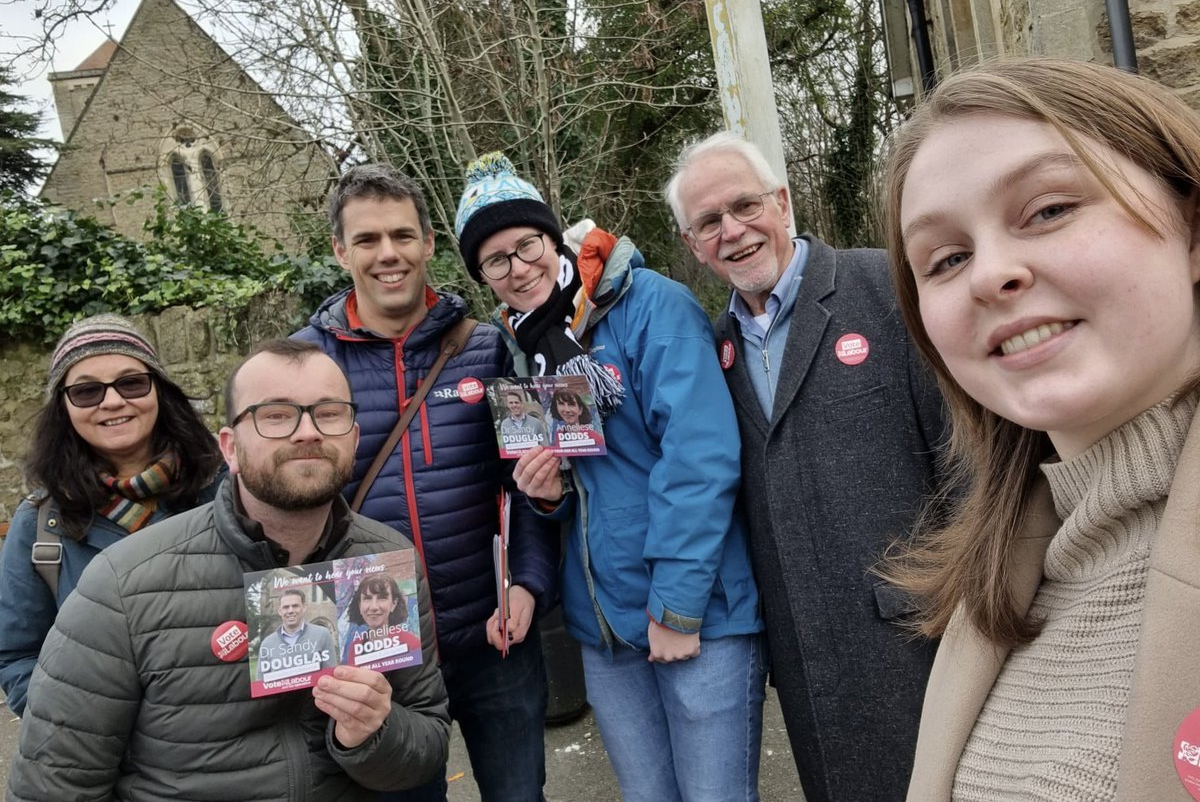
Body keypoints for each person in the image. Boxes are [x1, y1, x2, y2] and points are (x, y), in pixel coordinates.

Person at [880, 57, 1200, 801]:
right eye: (947, 258)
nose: (991, 273)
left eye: (1049, 209)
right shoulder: (996, 587)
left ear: (1190, 228)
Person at [7, 338, 450, 801]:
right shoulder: (121, 583)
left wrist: (371, 733)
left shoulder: (386, 561)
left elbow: (425, 746)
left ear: (354, 439)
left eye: (329, 412)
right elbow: (55, 786)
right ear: (230, 447)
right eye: (275, 415)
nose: (307, 432)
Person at [455, 151, 765, 802]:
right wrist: (548, 497)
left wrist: (677, 608)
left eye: (527, 245)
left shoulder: (651, 306)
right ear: (482, 275)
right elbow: (581, 489)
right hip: (604, 631)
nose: (518, 268)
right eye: (496, 260)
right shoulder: (515, 349)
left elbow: (701, 459)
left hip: (696, 614)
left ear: (552, 237)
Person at [664, 132, 950, 802]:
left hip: (919, 635)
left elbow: (963, 456)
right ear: (692, 245)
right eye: (709, 222)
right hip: (806, 659)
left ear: (782, 201)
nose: (733, 231)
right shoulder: (715, 351)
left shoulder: (881, 285)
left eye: (745, 206)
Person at [294, 163, 558, 802]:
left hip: (494, 635)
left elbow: (527, 485)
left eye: (402, 236)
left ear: (429, 242)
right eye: (367, 240)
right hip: (377, 651)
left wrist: (526, 583)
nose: (388, 254)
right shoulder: (305, 364)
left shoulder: (490, 348)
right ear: (339, 250)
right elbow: (280, 504)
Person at [0, 313, 223, 717]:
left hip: (225, 745)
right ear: (63, 407)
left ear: (159, 390)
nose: (113, 401)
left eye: (131, 382)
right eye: (87, 391)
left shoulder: (225, 492)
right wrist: (73, 726)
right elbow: (17, 656)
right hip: (109, 760)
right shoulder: (38, 526)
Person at [258, 587, 338, 681]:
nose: (291, 610)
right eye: (286, 607)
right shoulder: (267, 643)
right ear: (280, 611)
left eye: (295, 606)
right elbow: (261, 683)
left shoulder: (322, 634)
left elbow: (330, 674)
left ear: (304, 608)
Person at [342, 573, 422, 666]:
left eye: (382, 598)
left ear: (394, 604)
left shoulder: (412, 644)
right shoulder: (355, 647)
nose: (374, 607)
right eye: (367, 598)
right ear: (360, 605)